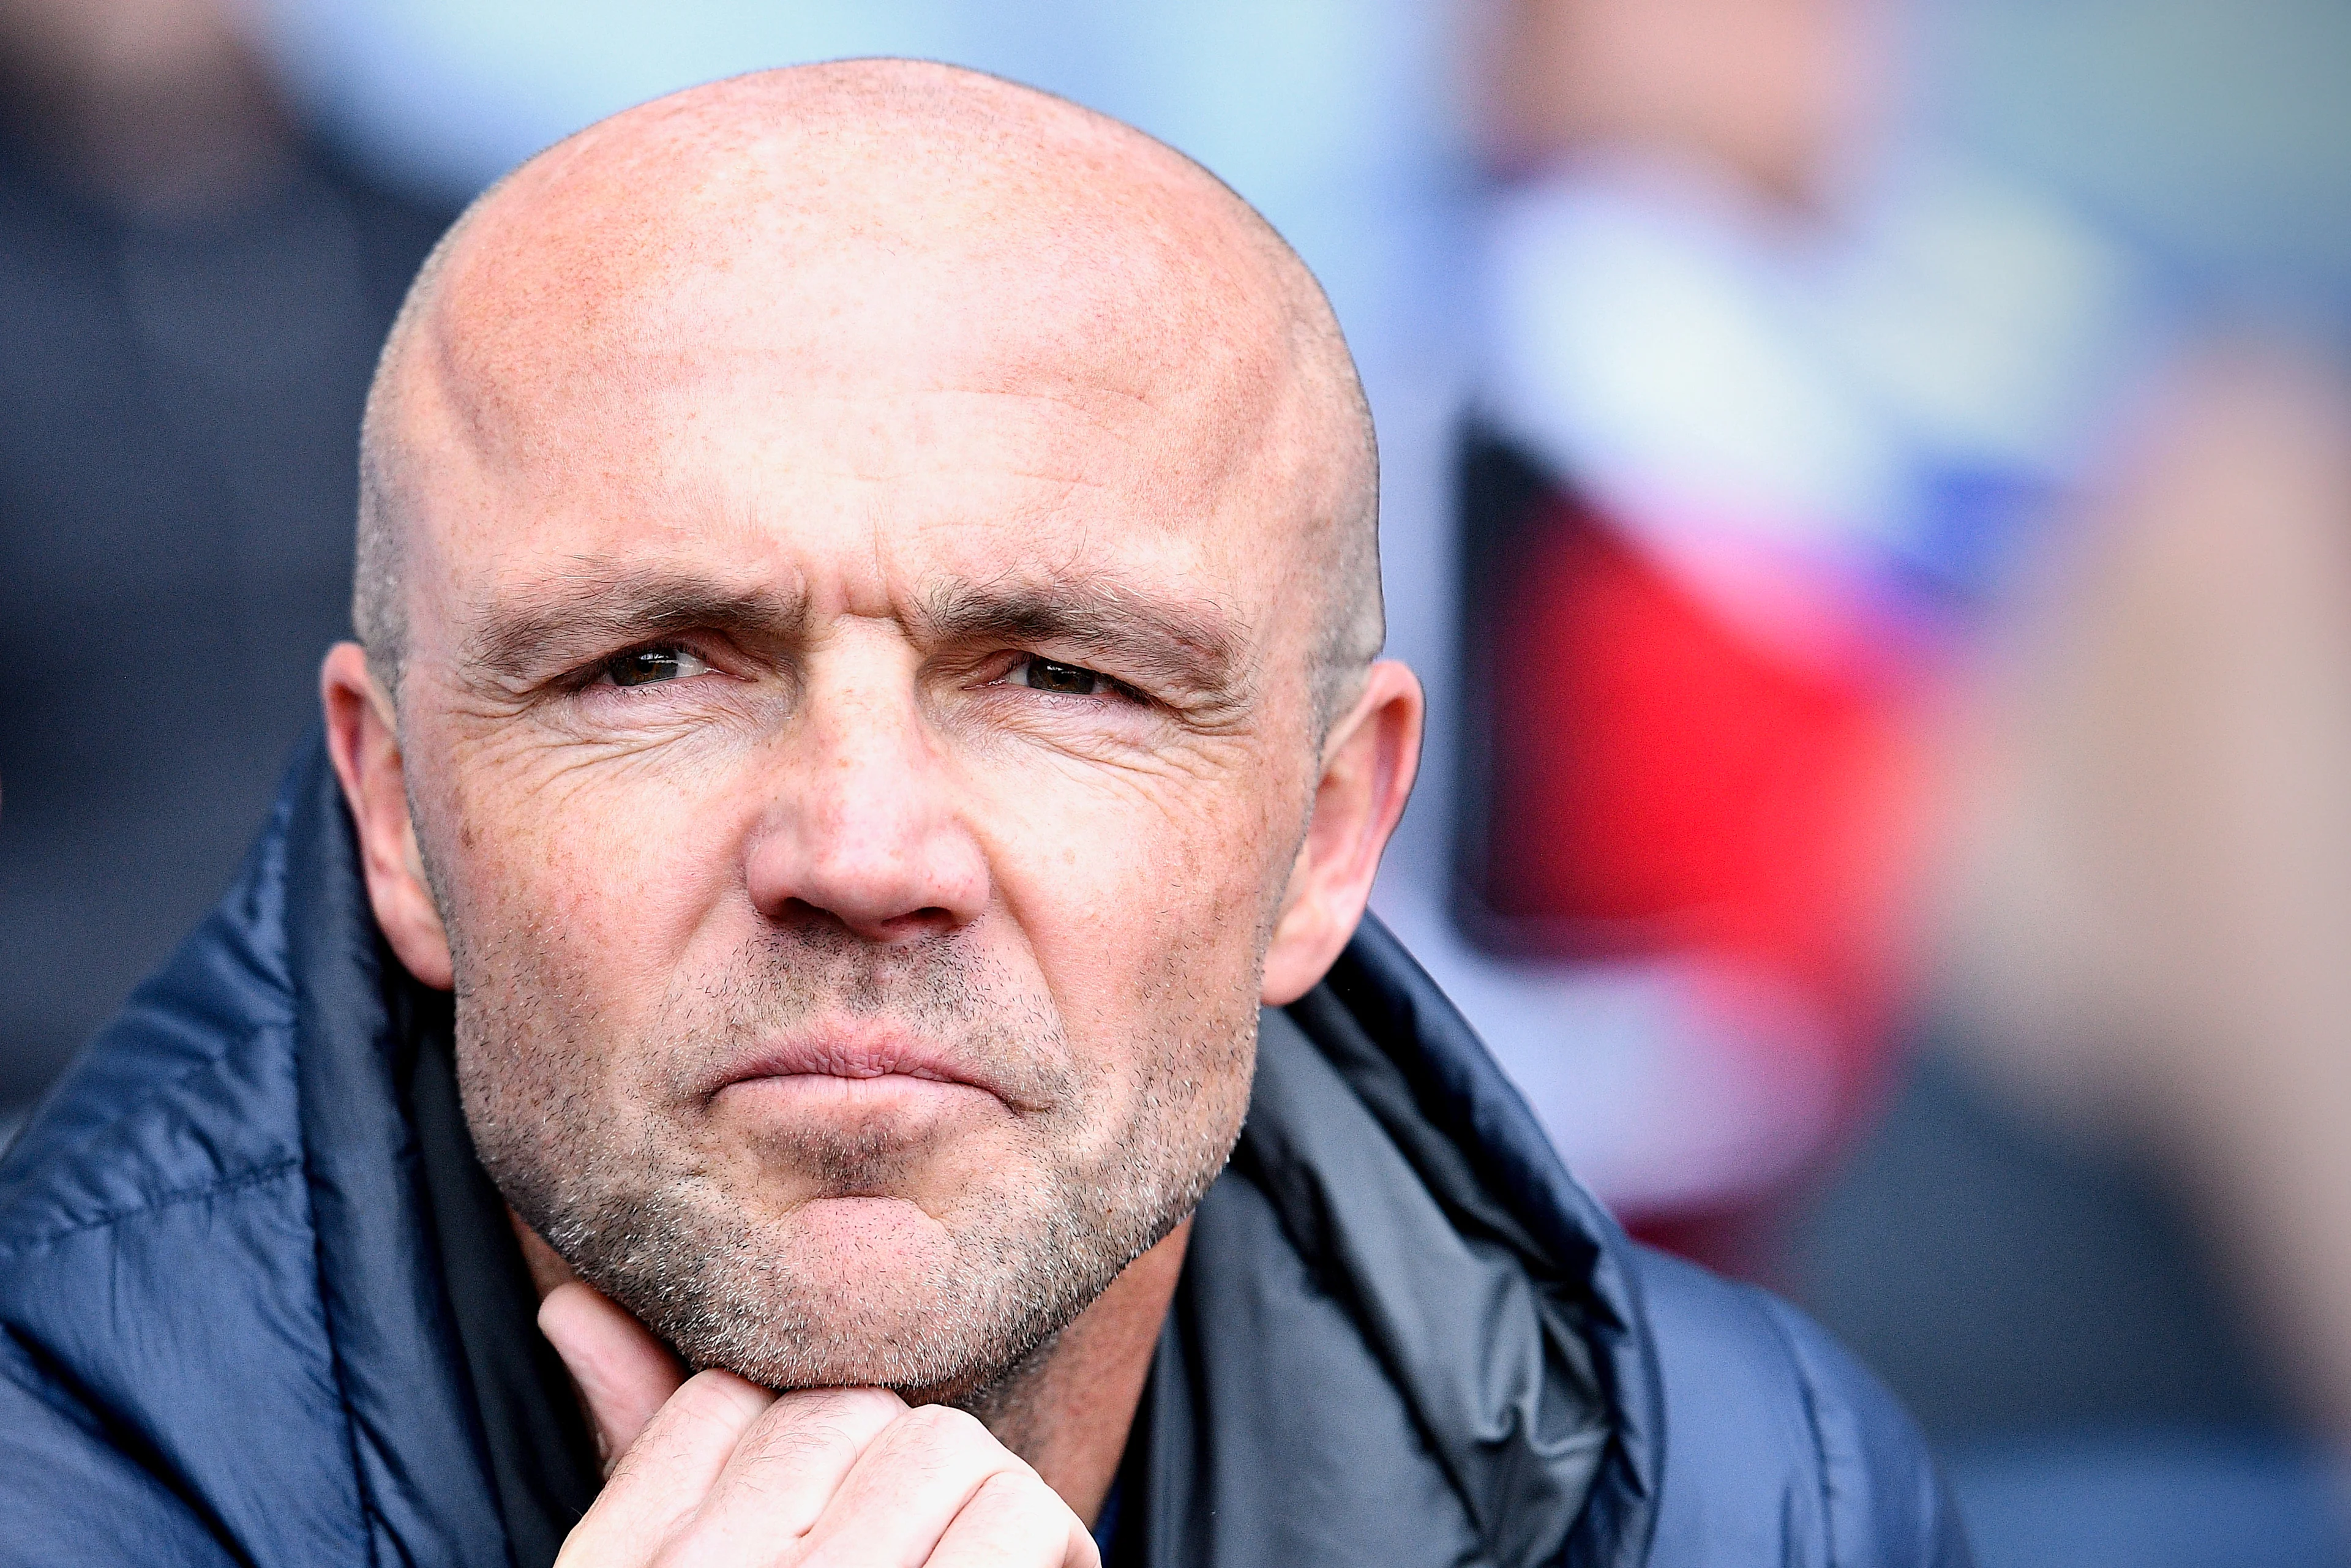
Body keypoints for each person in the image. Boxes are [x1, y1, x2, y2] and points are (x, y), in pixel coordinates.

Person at [0, 61, 1965, 1567]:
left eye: (1064, 677)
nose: (863, 852)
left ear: (1330, 835)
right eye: (655, 665)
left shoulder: (1728, 1488)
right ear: (399, 812)